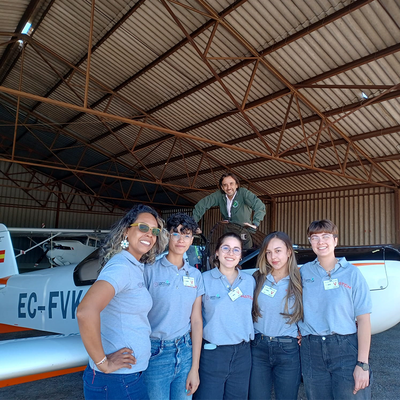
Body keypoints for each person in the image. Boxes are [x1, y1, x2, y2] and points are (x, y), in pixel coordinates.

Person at [77, 204, 168, 400]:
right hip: (117, 381)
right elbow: (85, 311)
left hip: (127, 378)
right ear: (127, 231)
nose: (150, 234)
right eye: (143, 227)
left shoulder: (134, 266)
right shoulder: (121, 266)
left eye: (155, 231)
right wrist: (103, 363)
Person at [299, 219, 372, 400]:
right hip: (312, 350)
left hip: (345, 348)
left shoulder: (352, 273)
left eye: (326, 236)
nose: (320, 242)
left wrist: (362, 364)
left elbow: (363, 320)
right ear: (310, 243)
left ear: (335, 240)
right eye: (314, 238)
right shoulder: (302, 273)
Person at [143, 213, 204, 399]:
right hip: (155, 352)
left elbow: (196, 321)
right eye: (175, 233)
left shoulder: (195, 275)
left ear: (192, 239)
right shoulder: (149, 270)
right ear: (166, 236)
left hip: (184, 351)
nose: (181, 240)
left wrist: (195, 367)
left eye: (186, 235)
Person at [194, 232, 255, 400]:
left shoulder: (249, 282)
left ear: (241, 255)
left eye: (236, 250)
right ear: (217, 252)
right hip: (213, 354)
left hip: (242, 355)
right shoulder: (203, 279)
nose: (230, 253)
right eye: (226, 248)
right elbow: (195, 319)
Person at [249, 231, 303, 400]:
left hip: (288, 349)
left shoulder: (301, 280)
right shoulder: (257, 279)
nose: (273, 257)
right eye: (269, 252)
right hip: (258, 347)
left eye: (278, 251)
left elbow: (313, 309)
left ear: (288, 252)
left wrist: (304, 331)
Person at [192, 172, 266, 233]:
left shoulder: (243, 193)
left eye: (231, 184)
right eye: (225, 185)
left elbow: (260, 206)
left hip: (245, 233)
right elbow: (202, 205)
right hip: (228, 233)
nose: (229, 188)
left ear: (236, 185)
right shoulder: (219, 195)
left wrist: (255, 224)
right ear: (222, 187)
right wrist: (193, 224)